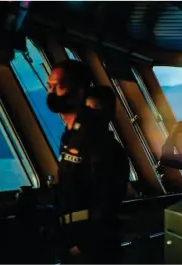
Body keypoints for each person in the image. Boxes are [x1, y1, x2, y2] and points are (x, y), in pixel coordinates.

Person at [46, 60, 130, 264]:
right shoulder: (70, 139)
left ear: (80, 91)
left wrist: (82, 245)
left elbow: (107, 198)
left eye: (60, 86)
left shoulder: (96, 140)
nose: (52, 92)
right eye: (50, 86)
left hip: (91, 247)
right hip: (72, 237)